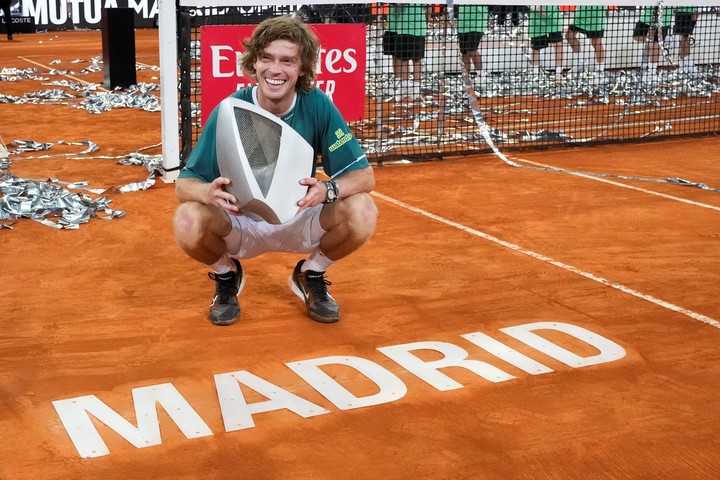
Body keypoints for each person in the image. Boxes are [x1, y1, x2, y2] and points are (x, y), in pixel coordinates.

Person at [173, 16, 377, 326]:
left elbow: (364, 177)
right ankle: (228, 277)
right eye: (266, 58)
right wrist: (206, 192)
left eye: (287, 61)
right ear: (253, 63)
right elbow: (183, 185)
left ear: (302, 68)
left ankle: (311, 274)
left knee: (363, 211)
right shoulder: (230, 109)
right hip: (241, 224)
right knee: (187, 219)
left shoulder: (318, 105)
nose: (275, 69)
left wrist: (329, 189)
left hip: (300, 216)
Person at [382, 3, 429, 101]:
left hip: (416, 28)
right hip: (400, 27)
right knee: (401, 58)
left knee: (416, 59)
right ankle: (403, 87)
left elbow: (427, 7)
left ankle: (416, 89)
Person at [566, 6, 608, 79]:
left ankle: (600, 71)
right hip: (581, 14)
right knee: (569, 35)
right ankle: (581, 63)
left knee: (596, 42)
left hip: (596, 15)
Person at [632, 6, 672, 81]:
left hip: (662, 19)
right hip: (646, 16)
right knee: (636, 36)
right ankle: (664, 39)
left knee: (655, 44)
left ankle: (652, 72)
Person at [527, 5, 563, 81]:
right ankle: (535, 74)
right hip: (537, 19)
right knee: (536, 48)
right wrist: (536, 7)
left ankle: (559, 73)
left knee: (558, 45)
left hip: (553, 17)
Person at [457, 4, 489, 77]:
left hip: (477, 22)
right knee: (464, 52)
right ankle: (466, 78)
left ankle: (481, 75)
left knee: (471, 49)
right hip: (463, 23)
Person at [674, 6, 698, 74]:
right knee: (682, 38)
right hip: (679, 12)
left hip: (690, 12)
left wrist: (697, 11)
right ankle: (683, 65)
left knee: (685, 38)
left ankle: (688, 65)